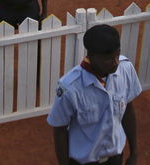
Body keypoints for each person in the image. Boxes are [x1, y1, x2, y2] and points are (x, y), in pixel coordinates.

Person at [47, 24, 141, 165]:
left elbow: (127, 109)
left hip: (115, 157)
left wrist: (134, 153)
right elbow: (60, 130)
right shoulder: (70, 87)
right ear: (91, 56)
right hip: (83, 161)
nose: (115, 63)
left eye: (117, 55)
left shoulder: (125, 69)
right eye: (109, 59)